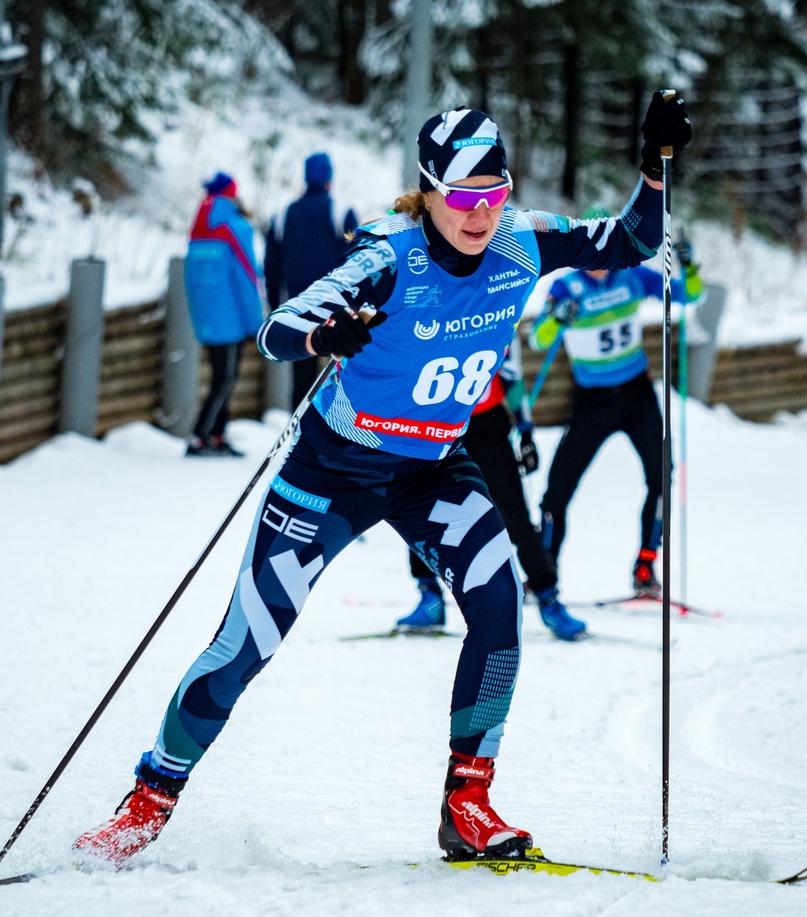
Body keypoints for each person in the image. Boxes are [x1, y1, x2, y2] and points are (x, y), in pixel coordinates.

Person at [73, 98, 691, 868]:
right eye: (463, 196)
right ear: (429, 190)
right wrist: (328, 332)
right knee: (248, 642)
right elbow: (276, 330)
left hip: (433, 469)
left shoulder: (524, 242)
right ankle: (146, 803)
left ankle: (467, 803)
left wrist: (651, 165)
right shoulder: (389, 257)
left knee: (500, 612)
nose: (480, 213)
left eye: (493, 194)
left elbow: (633, 239)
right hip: (333, 471)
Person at [533, 217, 703, 595]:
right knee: (557, 490)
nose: (603, 256)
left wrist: (689, 267)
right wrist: (557, 318)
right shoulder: (566, 286)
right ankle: (543, 573)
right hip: (592, 402)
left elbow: (687, 296)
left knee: (661, 476)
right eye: (595, 247)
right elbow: (539, 340)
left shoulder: (632, 276)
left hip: (636, 395)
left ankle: (646, 564)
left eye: (609, 247)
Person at [395, 338, 588, 640]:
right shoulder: (436, 312)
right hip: (435, 422)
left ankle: (548, 598)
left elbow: (511, 374)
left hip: (487, 424)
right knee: (419, 510)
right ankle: (429, 597)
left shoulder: (497, 310)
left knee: (515, 516)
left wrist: (525, 432)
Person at [264, 152, 360, 408]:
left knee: (302, 379)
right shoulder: (342, 211)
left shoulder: (283, 214)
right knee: (340, 373)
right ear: (330, 177)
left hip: (299, 310)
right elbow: (360, 262)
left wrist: (276, 309)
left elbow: (271, 268)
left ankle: (298, 434)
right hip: (339, 310)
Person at [184, 172, 265, 457]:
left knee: (222, 376)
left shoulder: (198, 230)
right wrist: (255, 323)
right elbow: (246, 278)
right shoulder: (236, 229)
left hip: (207, 318)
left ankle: (216, 435)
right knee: (226, 377)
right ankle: (200, 436)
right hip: (231, 319)